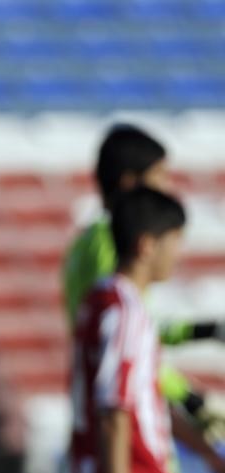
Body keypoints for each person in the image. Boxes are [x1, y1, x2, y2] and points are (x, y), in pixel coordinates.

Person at [63, 124, 225, 427]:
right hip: (121, 424)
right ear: (130, 183)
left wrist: (205, 331)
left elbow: (136, 328)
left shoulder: (87, 241)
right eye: (160, 176)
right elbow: (125, 338)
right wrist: (191, 399)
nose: (166, 187)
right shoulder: (109, 243)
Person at [70, 187, 225, 473]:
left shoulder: (100, 300)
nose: (179, 252)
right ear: (147, 246)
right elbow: (114, 413)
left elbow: (143, 399)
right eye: (176, 240)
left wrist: (206, 452)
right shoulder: (124, 312)